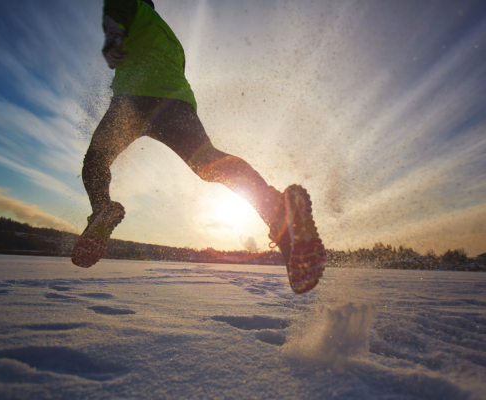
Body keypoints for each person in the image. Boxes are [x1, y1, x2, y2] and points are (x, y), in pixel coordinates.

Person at [72, 0, 326, 294]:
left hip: (133, 101)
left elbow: (118, 7)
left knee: (96, 160)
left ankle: (103, 208)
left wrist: (113, 39)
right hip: (176, 102)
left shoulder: (131, 7)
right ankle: (282, 219)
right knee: (209, 164)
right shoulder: (169, 36)